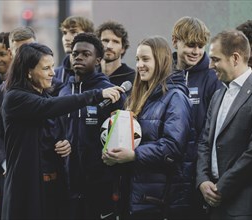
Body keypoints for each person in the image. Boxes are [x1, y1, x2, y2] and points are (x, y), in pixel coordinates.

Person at [1, 42, 124, 220]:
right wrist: (96, 94)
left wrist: (61, 143)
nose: (53, 72)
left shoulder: (44, 96)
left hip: (52, 188)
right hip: (27, 190)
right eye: (46, 68)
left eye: (52, 66)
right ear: (28, 71)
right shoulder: (15, 98)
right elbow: (49, 107)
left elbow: (51, 132)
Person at [102, 36, 193, 220]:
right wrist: (113, 155)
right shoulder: (137, 96)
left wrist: (134, 155)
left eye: (145, 59)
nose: (139, 65)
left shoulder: (175, 97)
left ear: (161, 60)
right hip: (133, 197)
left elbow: (173, 147)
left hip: (157, 200)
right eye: (137, 59)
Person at [58, 32, 126, 220]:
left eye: (85, 54)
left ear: (98, 60)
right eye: (75, 53)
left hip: (100, 185)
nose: (78, 57)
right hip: (66, 184)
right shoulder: (62, 92)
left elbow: (123, 138)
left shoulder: (110, 93)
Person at [196, 30, 252, 220]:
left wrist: (221, 188)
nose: (210, 65)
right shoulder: (218, 94)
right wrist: (203, 181)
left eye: (215, 59)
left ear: (235, 58)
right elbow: (205, 141)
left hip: (242, 206)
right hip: (212, 205)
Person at [171, 16, 223, 218]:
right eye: (190, 45)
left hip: (199, 169)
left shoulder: (213, 75)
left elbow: (213, 128)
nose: (196, 51)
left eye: (200, 46)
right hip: (169, 165)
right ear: (175, 41)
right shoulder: (164, 71)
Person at [0, 27, 36, 219]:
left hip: (44, 173)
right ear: (12, 53)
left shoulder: (54, 85)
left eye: (30, 48)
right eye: (19, 50)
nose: (25, 55)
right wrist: (6, 164)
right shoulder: (1, 91)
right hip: (11, 175)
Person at [52, 16, 95, 95]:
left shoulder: (98, 73)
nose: (66, 38)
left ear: (89, 35)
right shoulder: (55, 74)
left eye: (73, 32)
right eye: (64, 33)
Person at [95, 20, 135, 90]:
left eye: (115, 42)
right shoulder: (90, 76)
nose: (109, 46)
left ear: (123, 48)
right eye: (105, 40)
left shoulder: (133, 78)